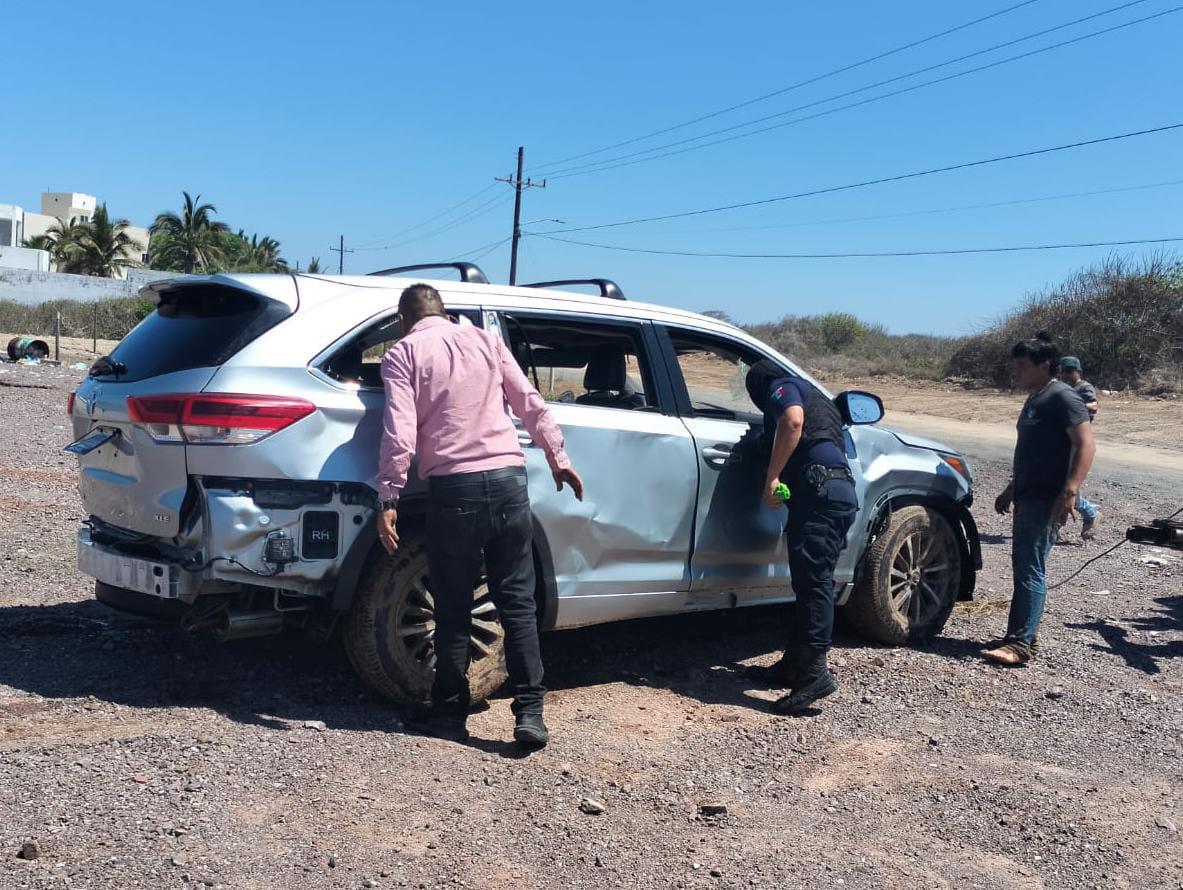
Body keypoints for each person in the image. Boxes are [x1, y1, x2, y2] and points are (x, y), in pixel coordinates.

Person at [376, 283, 584, 746]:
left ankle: (449, 714)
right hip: (510, 482)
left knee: (453, 608)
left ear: (403, 320)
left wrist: (388, 496)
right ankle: (530, 713)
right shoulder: (488, 341)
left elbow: (400, 433)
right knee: (518, 603)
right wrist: (558, 455)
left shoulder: (403, 354)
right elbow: (529, 400)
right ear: (445, 312)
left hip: (455, 490)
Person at [743, 360, 859, 714]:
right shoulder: (821, 400)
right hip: (832, 493)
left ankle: (814, 674)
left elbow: (792, 421)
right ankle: (794, 663)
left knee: (815, 585)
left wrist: (771, 477)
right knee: (808, 582)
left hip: (821, 495)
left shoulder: (783, 386)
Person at [989, 333, 1095, 666]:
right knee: (1025, 564)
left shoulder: (1063, 398)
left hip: (1046, 496)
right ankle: (1022, 636)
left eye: (1022, 366)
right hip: (1027, 493)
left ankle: (1020, 644)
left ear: (1043, 365)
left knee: (1030, 567)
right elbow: (1031, 452)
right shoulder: (1037, 397)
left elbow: (1085, 445)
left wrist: (1070, 491)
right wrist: (1010, 488)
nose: (1016, 372)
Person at [1058, 356, 1101, 540]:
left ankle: (1091, 514)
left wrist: (1076, 405)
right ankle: (1055, 526)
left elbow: (1094, 405)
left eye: (1069, 371)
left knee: (1068, 485)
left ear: (1078, 371)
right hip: (1063, 441)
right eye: (1063, 371)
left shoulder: (1084, 387)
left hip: (1078, 441)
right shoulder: (1062, 389)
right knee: (1060, 483)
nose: (1066, 374)